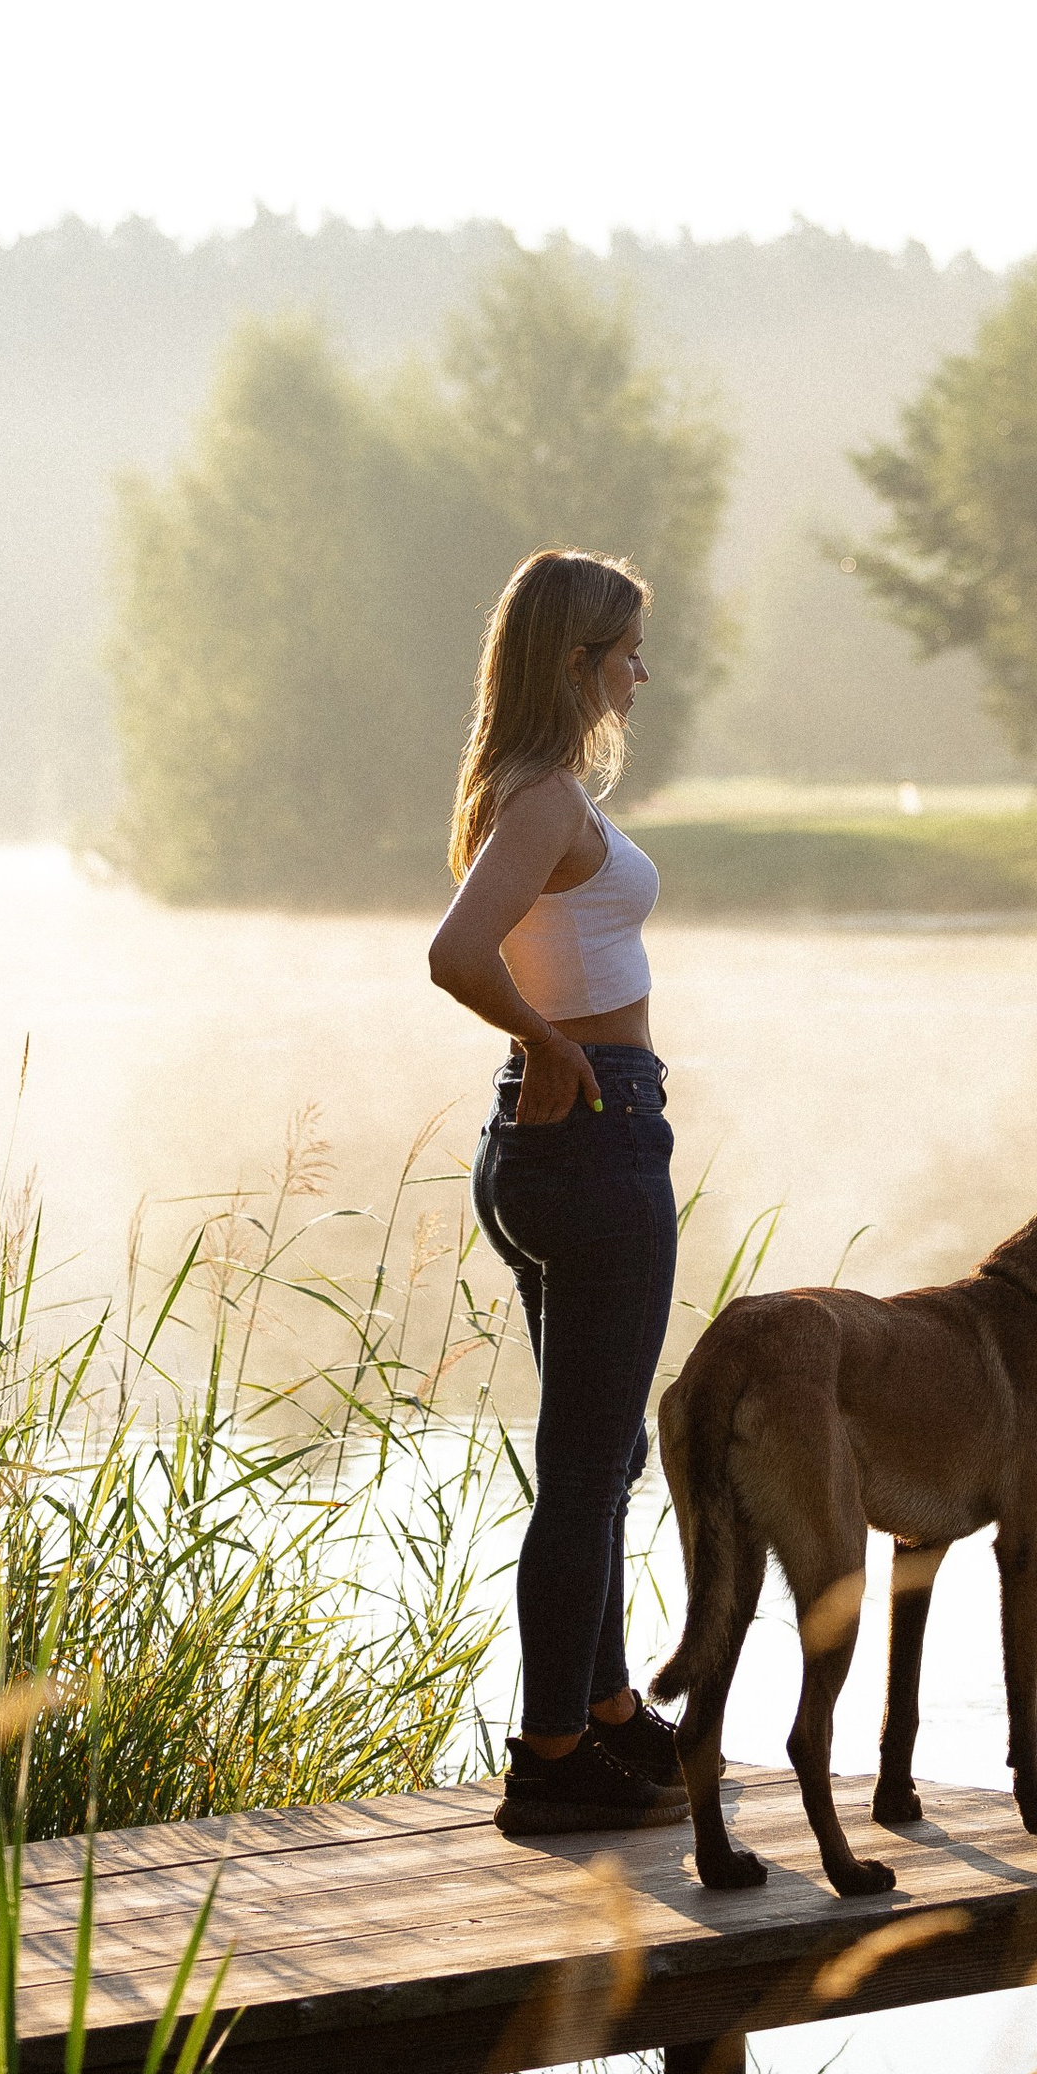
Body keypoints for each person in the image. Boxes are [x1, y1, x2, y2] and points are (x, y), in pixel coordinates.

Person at [427, 547, 690, 1834]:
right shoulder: (542, 802)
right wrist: (550, 1040)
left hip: (555, 1149)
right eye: (627, 649)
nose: (643, 670)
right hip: (591, 1144)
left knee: (599, 1452)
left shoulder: (524, 795)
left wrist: (546, 1049)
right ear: (577, 660)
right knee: (587, 1470)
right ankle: (551, 1759)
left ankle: (610, 1713)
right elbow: (454, 954)